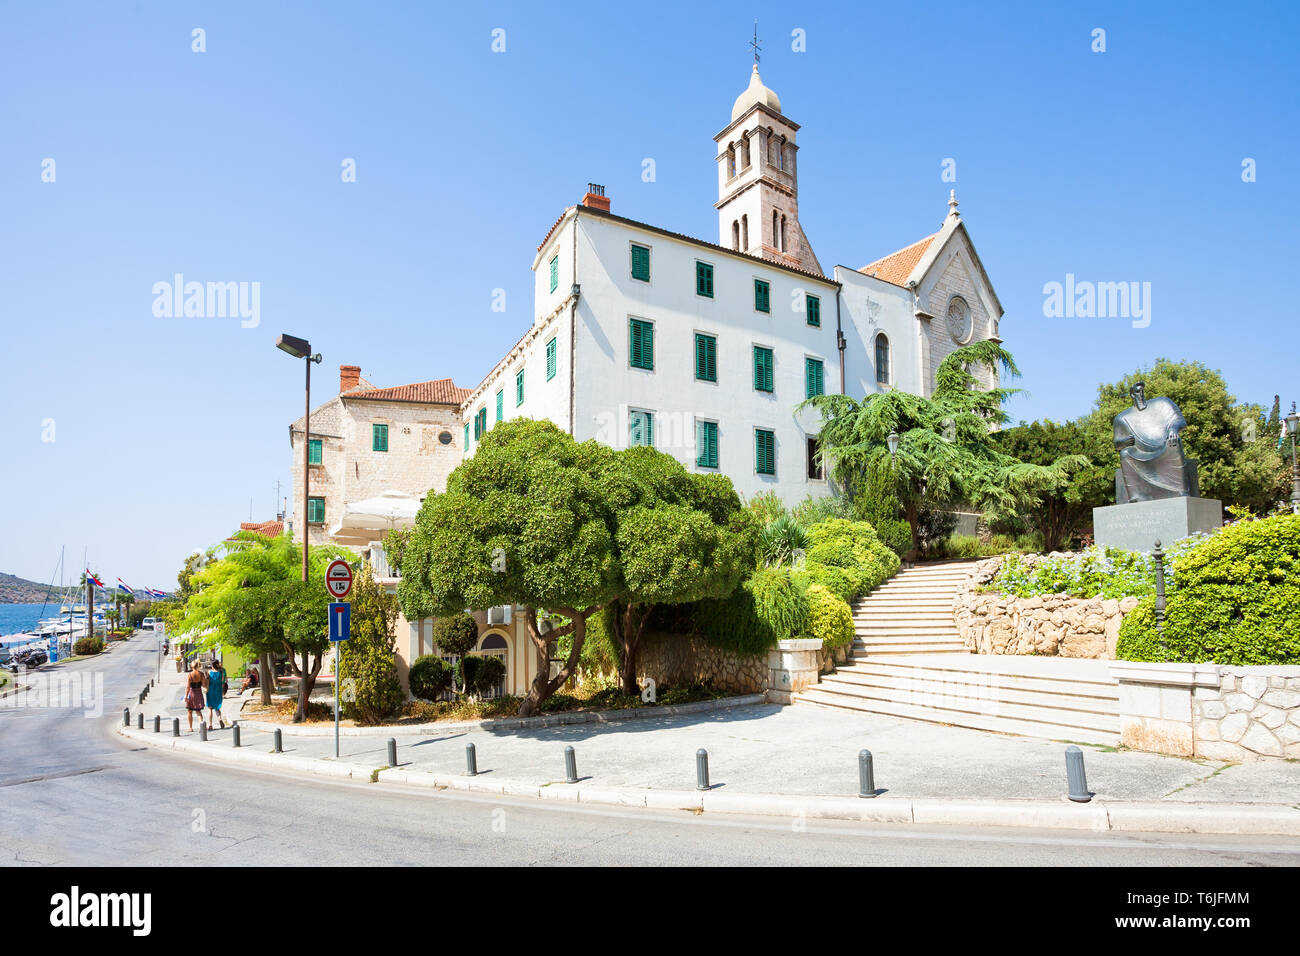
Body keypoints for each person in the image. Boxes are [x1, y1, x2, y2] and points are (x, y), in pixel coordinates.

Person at [184, 660, 208, 732]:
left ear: (191, 666)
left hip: (192, 693)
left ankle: (190, 728)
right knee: (198, 711)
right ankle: (201, 726)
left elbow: (188, 687)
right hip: (199, 693)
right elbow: (204, 685)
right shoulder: (201, 674)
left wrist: (186, 696)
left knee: (189, 711)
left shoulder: (190, 675)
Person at [206, 656, 228, 729]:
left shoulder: (209, 672)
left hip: (211, 691)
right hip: (218, 691)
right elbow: (222, 683)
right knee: (217, 708)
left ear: (212, 665)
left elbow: (207, 682)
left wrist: (206, 689)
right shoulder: (221, 672)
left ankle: (210, 725)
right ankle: (220, 719)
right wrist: (222, 692)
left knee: (210, 708)